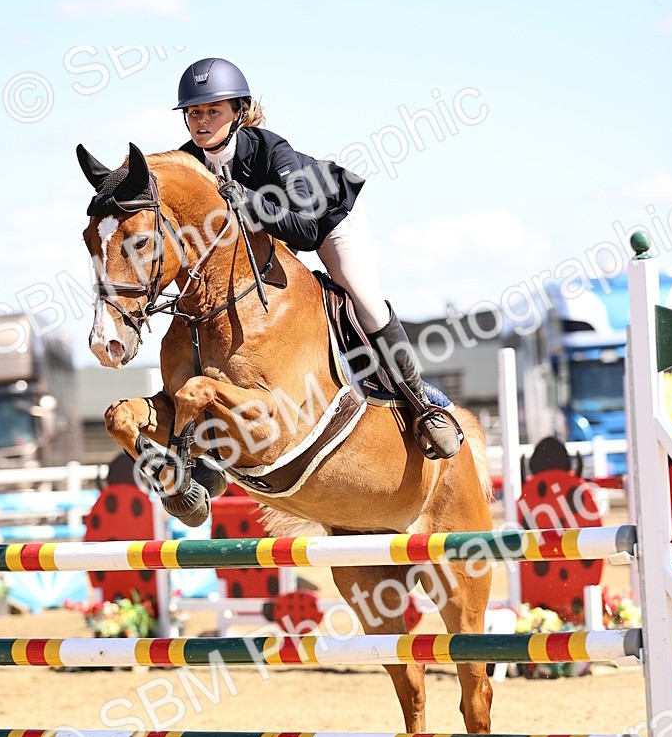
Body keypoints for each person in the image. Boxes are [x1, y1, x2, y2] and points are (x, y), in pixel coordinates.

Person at [175, 56, 462, 459]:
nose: (201, 121)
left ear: (238, 112)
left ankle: (422, 406)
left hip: (327, 217)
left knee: (363, 297)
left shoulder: (271, 150)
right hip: (270, 232)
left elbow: (308, 234)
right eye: (193, 113)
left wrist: (253, 203)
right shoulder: (188, 161)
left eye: (212, 111)